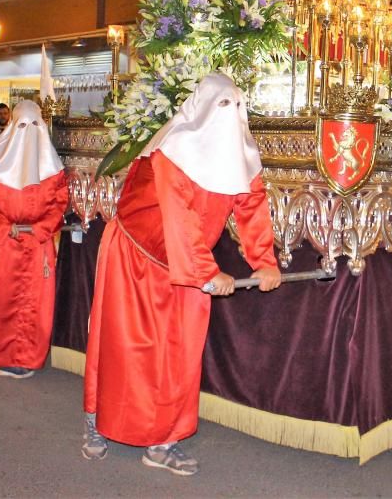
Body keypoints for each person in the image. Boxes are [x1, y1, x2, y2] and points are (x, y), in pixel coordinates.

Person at [82, 73, 282, 476]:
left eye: (237, 107)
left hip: (188, 262)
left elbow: (252, 206)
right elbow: (179, 216)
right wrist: (207, 272)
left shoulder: (240, 153)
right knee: (124, 346)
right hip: (135, 256)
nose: (231, 116)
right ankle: (96, 423)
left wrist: (264, 261)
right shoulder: (173, 151)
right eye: (222, 105)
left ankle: (164, 440)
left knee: (181, 352)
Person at [0, 100, 69, 379]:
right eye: (22, 125)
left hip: (36, 246)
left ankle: (22, 357)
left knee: (31, 305)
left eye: (34, 125)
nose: (29, 131)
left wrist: (40, 228)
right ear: (12, 126)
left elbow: (60, 202)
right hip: (1, 244)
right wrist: (3, 226)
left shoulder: (53, 168)